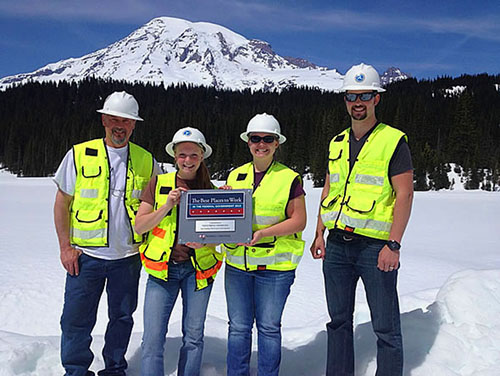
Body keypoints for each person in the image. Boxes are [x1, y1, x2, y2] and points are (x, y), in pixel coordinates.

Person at [310, 63, 414, 376]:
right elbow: (329, 189)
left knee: (385, 326)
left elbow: (405, 195)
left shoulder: (393, 141)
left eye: (365, 95)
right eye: (351, 96)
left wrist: (393, 244)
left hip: (375, 249)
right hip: (337, 245)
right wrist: (318, 234)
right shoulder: (337, 142)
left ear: (376, 99)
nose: (358, 102)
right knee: (338, 322)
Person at [53, 91, 161, 376]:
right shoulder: (79, 154)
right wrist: (65, 247)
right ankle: (76, 370)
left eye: (126, 121)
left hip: (128, 258)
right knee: (76, 319)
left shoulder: (147, 161)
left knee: (122, 318)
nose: (119, 125)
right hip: (85, 257)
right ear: (103, 120)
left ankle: (114, 369)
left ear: (134, 125)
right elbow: (62, 202)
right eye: (114, 118)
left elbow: (159, 207)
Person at [222, 113, 307, 376]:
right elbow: (227, 218)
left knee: (269, 328)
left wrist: (265, 233)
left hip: (274, 268)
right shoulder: (236, 175)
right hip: (238, 265)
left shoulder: (289, 177)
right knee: (238, 327)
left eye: (267, 139)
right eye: (255, 138)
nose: (261, 144)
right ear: (248, 142)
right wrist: (223, 204)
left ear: (277, 143)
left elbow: (299, 220)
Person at [135, 127, 223, 376]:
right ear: (174, 156)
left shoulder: (212, 191)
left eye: (193, 155)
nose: (188, 160)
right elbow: (140, 225)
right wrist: (166, 205)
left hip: (198, 273)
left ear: (202, 157)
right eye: (183, 154)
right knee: (152, 339)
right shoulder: (158, 183)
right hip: (162, 272)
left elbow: (224, 236)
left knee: (194, 337)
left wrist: (203, 244)